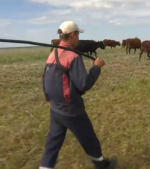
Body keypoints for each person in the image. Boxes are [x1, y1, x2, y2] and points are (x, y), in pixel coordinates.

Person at [39, 21, 117, 169]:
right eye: (78, 35)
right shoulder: (73, 56)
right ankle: (102, 165)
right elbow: (83, 84)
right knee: (89, 138)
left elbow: (46, 79)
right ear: (73, 35)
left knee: (52, 144)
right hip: (71, 109)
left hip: (55, 108)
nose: (79, 39)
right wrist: (96, 68)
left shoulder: (52, 54)